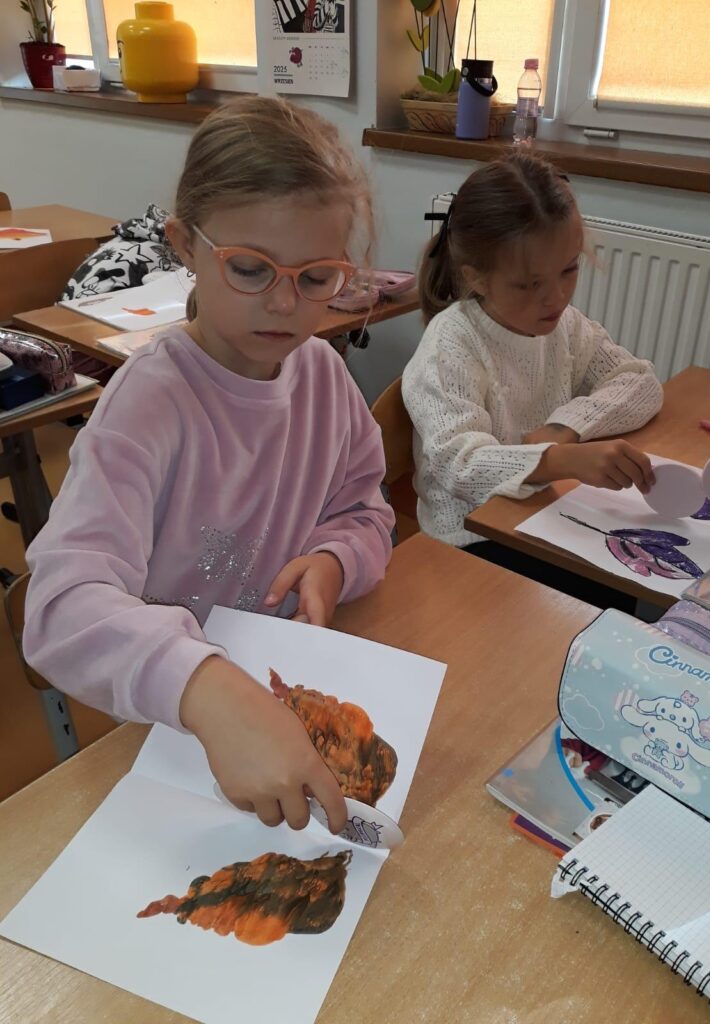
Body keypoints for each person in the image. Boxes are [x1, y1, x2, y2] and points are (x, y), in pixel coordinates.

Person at [23, 96, 395, 834]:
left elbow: (364, 511)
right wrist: (202, 685)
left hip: (280, 689)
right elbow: (60, 608)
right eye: (250, 268)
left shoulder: (324, 377)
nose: (284, 304)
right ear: (185, 246)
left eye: (315, 278)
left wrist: (335, 560)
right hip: (174, 724)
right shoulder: (148, 404)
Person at [402, 153, 663, 604]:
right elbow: (459, 466)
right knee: (604, 596)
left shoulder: (565, 326)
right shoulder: (452, 344)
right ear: (476, 279)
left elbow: (640, 383)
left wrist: (564, 428)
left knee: (630, 575)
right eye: (528, 284)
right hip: (472, 541)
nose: (556, 297)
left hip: (540, 515)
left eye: (570, 269)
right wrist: (560, 460)